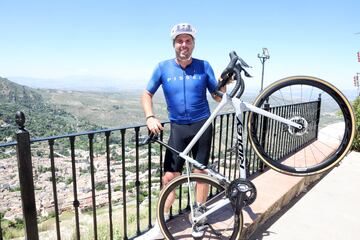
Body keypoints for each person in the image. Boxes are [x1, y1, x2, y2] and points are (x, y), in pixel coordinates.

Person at [136, 23, 225, 240]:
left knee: (200, 174)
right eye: (179, 40)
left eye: (188, 40)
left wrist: (225, 83)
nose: (183, 44)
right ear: (174, 44)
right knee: (169, 177)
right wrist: (150, 117)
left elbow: (217, 96)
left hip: (202, 126)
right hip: (177, 128)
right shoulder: (162, 67)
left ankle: (199, 217)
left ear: (193, 44)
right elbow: (146, 93)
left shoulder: (204, 66)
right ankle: (161, 223)